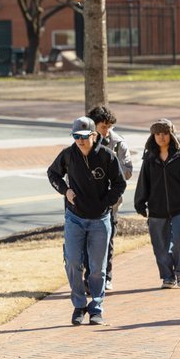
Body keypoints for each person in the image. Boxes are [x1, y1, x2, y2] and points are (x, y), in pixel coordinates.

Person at [47, 116, 127, 326]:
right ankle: (79, 305)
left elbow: (119, 184)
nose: (79, 140)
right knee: (73, 262)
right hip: (75, 218)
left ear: (93, 135)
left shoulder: (107, 156)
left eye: (83, 136)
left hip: (100, 220)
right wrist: (66, 191)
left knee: (98, 268)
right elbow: (53, 174)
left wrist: (106, 203)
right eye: (76, 136)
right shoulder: (68, 155)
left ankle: (96, 308)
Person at [134, 118, 180, 288]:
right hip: (157, 209)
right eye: (158, 134)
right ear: (153, 136)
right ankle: (168, 276)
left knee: (179, 239)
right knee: (160, 246)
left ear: (171, 134)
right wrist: (140, 202)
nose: (161, 137)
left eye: (165, 133)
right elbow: (144, 181)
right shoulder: (150, 157)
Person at [86, 105, 134, 289]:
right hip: (86, 202)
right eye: (103, 126)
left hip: (110, 203)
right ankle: (89, 278)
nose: (106, 131)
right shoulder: (82, 141)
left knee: (107, 240)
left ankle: (106, 277)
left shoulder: (118, 143)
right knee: (86, 244)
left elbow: (128, 171)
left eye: (109, 126)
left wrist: (111, 166)